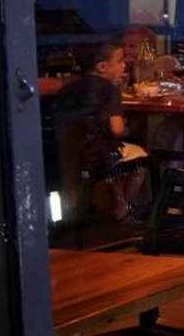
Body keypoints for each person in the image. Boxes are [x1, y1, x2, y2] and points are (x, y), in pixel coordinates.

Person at [54, 40, 149, 222]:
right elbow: (117, 129)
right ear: (102, 67)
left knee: (113, 154)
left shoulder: (66, 89)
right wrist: (129, 129)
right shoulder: (109, 89)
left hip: (67, 153)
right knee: (140, 157)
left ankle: (112, 206)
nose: (124, 65)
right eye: (120, 61)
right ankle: (125, 209)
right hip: (98, 154)